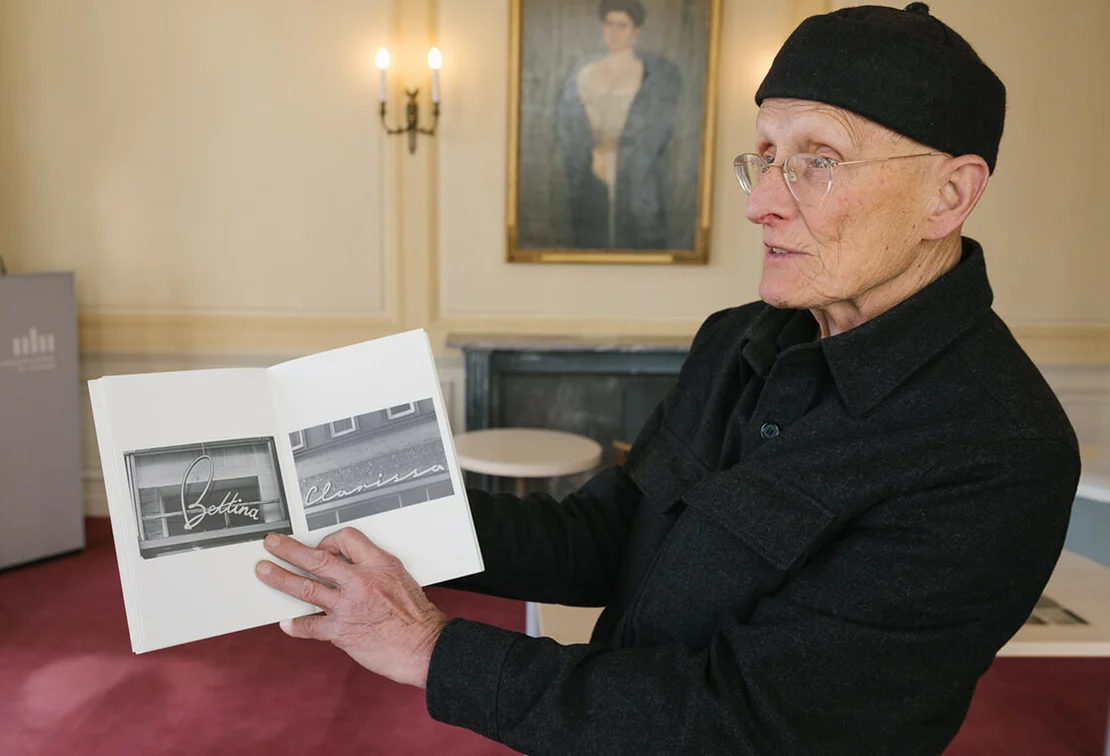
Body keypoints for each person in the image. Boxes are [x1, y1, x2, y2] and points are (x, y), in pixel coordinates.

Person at [254, 4, 1082, 754]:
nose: (760, 204)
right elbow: (602, 540)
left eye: (818, 160)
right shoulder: (735, 340)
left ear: (949, 195)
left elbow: (748, 725)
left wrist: (430, 650)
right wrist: (388, 509)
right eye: (763, 157)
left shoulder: (1000, 449)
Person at [555, 0, 681, 250]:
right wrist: (592, 153)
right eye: (610, 24)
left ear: (635, 32)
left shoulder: (651, 75)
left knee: (634, 229)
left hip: (636, 170)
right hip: (594, 165)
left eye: (622, 26)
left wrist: (626, 161)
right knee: (592, 230)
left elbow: (656, 130)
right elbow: (572, 126)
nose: (614, 32)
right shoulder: (588, 74)